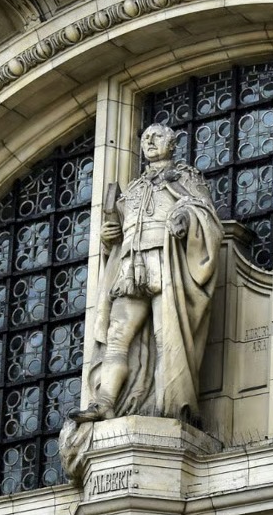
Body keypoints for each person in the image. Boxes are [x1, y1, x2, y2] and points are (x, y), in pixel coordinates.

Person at [74, 122, 223, 425]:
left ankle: (168, 404)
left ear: (172, 143)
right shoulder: (134, 188)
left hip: (164, 260)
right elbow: (118, 232)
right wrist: (110, 234)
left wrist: (184, 217)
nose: (150, 142)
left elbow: (203, 212)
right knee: (117, 337)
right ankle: (104, 401)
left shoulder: (185, 177)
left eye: (157, 137)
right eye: (145, 138)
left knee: (166, 337)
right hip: (130, 266)